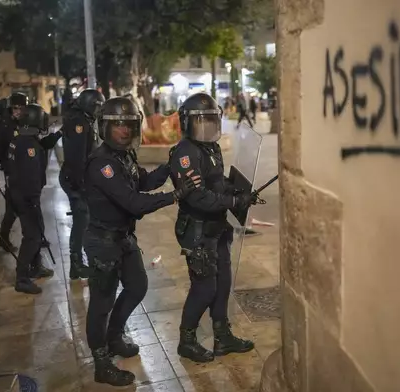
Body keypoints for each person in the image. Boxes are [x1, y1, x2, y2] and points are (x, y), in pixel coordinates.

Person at [84, 96, 201, 386]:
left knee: (138, 286)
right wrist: (175, 195)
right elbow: (133, 202)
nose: (124, 130)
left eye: (129, 124)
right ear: (105, 128)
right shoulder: (102, 164)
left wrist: (170, 164)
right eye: (117, 125)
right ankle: (101, 362)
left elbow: (144, 182)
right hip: (103, 241)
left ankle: (114, 336)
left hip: (122, 237)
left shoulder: (124, 156)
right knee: (101, 303)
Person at [169, 92, 256, 363]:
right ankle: (187, 340)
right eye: (200, 120)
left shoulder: (210, 148)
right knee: (204, 288)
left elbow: (216, 183)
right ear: (187, 123)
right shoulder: (185, 153)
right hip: (196, 231)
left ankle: (223, 337)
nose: (207, 125)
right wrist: (231, 200)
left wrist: (239, 192)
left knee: (223, 283)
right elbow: (198, 196)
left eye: (211, 119)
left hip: (217, 227)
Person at [5, 104, 57, 294]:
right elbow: (30, 176)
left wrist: (58, 135)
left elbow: (42, 146)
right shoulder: (28, 146)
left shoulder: (22, 139)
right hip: (26, 197)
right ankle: (22, 278)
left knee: (38, 230)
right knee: (33, 237)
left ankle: (36, 266)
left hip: (18, 194)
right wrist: (34, 200)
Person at [59, 89, 105, 280]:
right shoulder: (79, 122)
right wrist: (82, 186)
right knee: (81, 221)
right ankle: (76, 264)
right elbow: (77, 158)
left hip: (78, 179)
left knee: (85, 221)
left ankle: (80, 262)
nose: (98, 110)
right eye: (97, 106)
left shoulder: (83, 119)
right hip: (75, 180)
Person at [0, 93, 28, 252]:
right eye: (15, 108)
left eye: (21, 108)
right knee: (14, 206)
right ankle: (4, 237)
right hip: (11, 170)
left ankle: (4, 237)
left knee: (15, 206)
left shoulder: (25, 121)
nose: (18, 111)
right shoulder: (3, 125)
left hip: (24, 168)